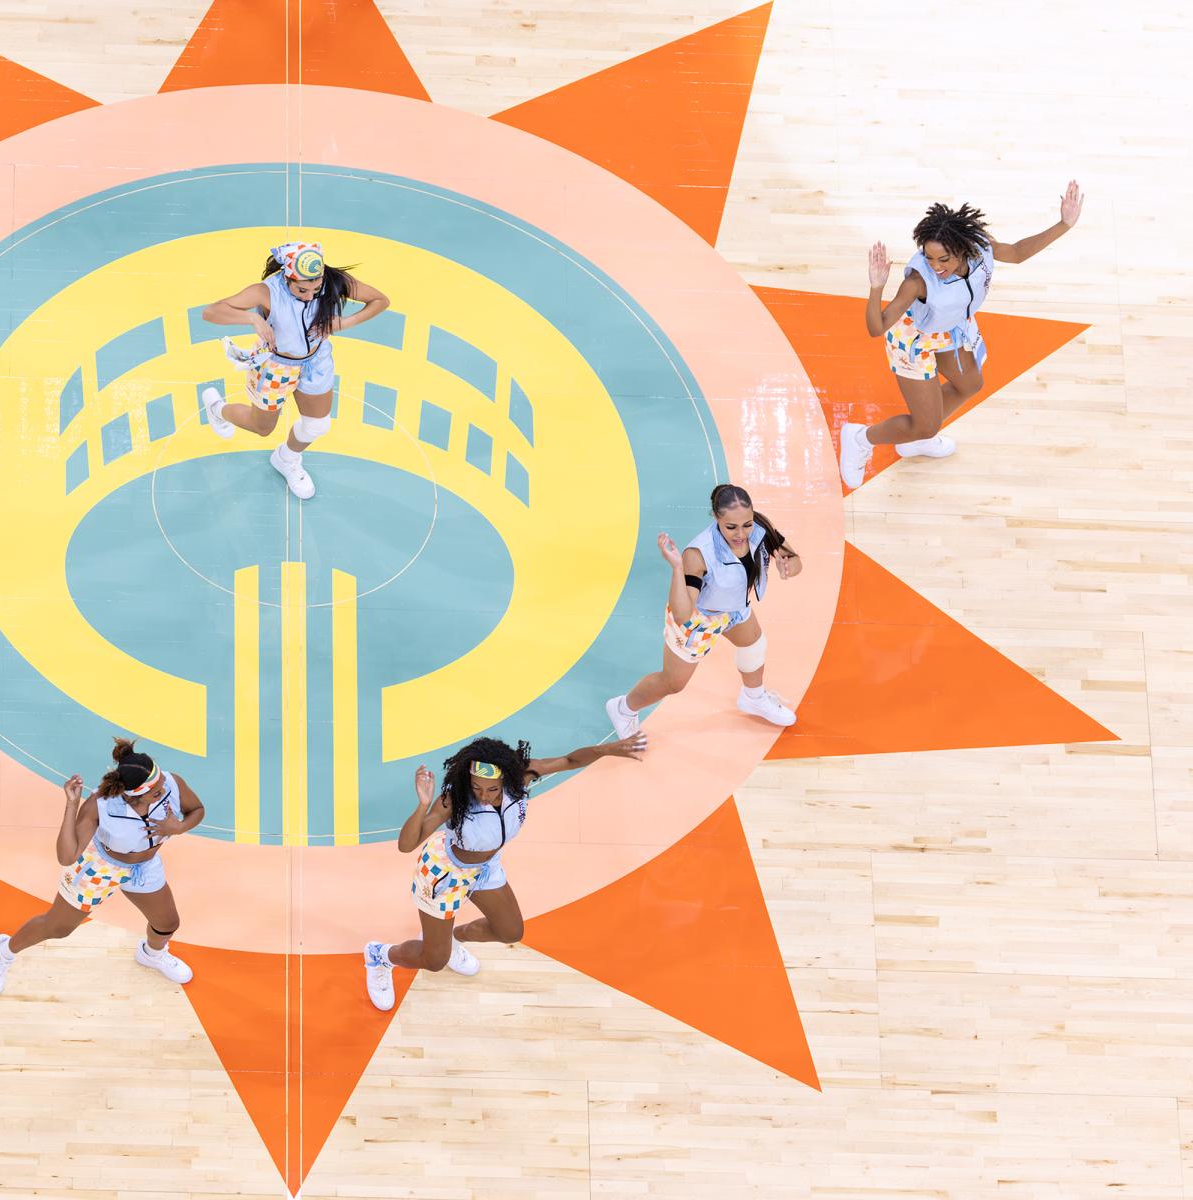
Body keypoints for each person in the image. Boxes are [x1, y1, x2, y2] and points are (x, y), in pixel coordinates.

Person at [363, 731, 646, 1010]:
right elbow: (406, 845)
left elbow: (569, 760)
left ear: (505, 780)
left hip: (486, 867)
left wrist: (608, 749)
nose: (483, 796)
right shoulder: (455, 798)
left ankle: (452, 939)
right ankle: (380, 956)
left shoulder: (520, 777)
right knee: (434, 960)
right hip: (445, 873)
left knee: (509, 931)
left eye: (492, 789)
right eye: (477, 787)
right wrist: (423, 805)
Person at [840, 182, 1083, 487]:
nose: (935, 266)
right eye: (929, 257)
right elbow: (876, 328)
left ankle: (917, 436)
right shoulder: (918, 281)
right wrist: (876, 287)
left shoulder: (979, 246)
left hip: (951, 327)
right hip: (912, 340)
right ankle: (860, 438)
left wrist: (1064, 224)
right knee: (926, 425)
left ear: (962, 248)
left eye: (943, 259)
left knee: (970, 384)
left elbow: (1017, 253)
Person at [0, 740, 206, 996]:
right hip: (100, 867)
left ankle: (152, 955)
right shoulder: (100, 805)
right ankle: (4, 951)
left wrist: (179, 827)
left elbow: (197, 810)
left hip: (144, 866)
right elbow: (66, 856)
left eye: (162, 783)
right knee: (58, 927)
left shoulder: (170, 783)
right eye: (155, 792)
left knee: (167, 923)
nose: (164, 789)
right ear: (134, 795)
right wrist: (72, 805)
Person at [605, 483, 803, 738]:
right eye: (731, 527)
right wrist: (677, 568)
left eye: (746, 524)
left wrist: (788, 566)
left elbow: (793, 559)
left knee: (753, 643)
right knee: (673, 683)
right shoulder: (699, 554)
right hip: (699, 619)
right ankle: (623, 709)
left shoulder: (760, 528)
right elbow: (682, 615)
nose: (741, 534)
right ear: (716, 518)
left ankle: (753, 698)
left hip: (734, 608)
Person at [197, 241, 389, 499]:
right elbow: (211, 312)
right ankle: (217, 409)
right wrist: (253, 318)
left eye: (316, 289)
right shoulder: (266, 292)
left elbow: (380, 300)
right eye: (302, 290)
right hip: (275, 366)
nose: (310, 296)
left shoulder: (334, 281)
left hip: (316, 361)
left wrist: (344, 323)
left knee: (317, 425)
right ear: (287, 278)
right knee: (262, 428)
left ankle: (286, 459)